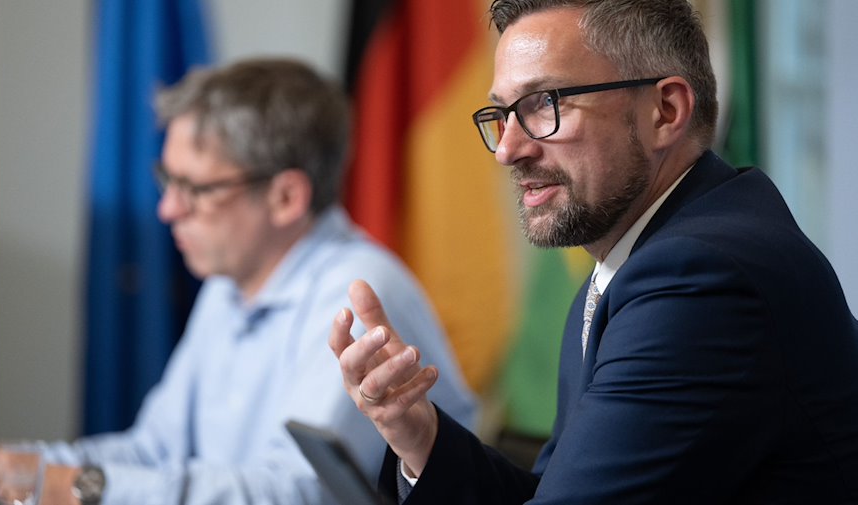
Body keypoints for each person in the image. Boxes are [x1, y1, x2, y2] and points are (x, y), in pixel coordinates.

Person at [329, 1, 858, 503]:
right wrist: (419, 435)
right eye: (502, 114)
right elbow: (554, 490)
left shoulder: (701, 280)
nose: (509, 150)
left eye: (544, 104)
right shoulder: (631, 265)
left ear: (665, 110)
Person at [0, 58, 476, 505]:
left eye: (195, 188)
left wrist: (78, 487)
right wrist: (6, 467)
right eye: (167, 180)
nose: (168, 209)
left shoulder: (357, 296)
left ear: (285, 197)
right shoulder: (229, 281)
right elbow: (155, 449)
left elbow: (295, 494)